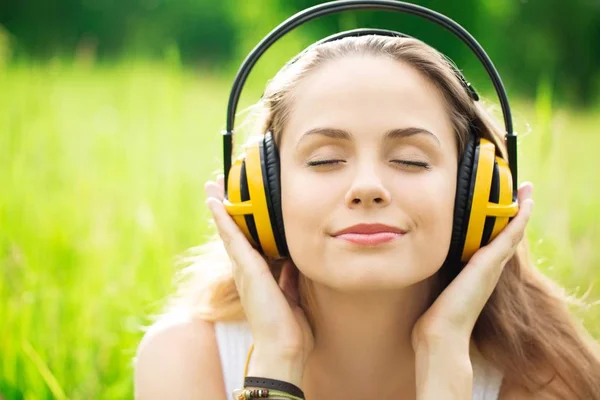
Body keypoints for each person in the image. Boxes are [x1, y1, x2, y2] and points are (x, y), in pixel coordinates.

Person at [134, 34, 600, 399]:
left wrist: (444, 373)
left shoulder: (551, 378)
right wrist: (276, 365)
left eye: (412, 160)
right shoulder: (186, 361)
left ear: (476, 191)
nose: (367, 188)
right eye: (323, 159)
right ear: (262, 193)